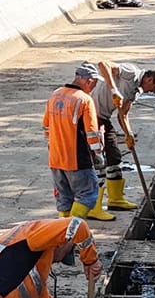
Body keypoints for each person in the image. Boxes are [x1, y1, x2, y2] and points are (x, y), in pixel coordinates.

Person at [92, 59, 155, 211]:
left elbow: (123, 115)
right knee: (98, 162)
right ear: (149, 79)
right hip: (91, 116)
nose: (153, 92)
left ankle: (115, 200)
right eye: (154, 87)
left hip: (104, 119)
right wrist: (114, 90)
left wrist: (129, 134)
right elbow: (103, 64)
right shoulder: (131, 72)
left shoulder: (136, 92)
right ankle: (94, 206)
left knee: (115, 159)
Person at [42, 64, 111, 221]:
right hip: (77, 159)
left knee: (64, 199)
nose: (94, 87)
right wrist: (98, 153)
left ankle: (63, 235)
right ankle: (72, 230)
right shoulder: (85, 100)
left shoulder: (55, 94)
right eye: (94, 83)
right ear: (88, 81)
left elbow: (46, 126)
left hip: (55, 158)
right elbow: (92, 132)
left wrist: (55, 143)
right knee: (88, 193)